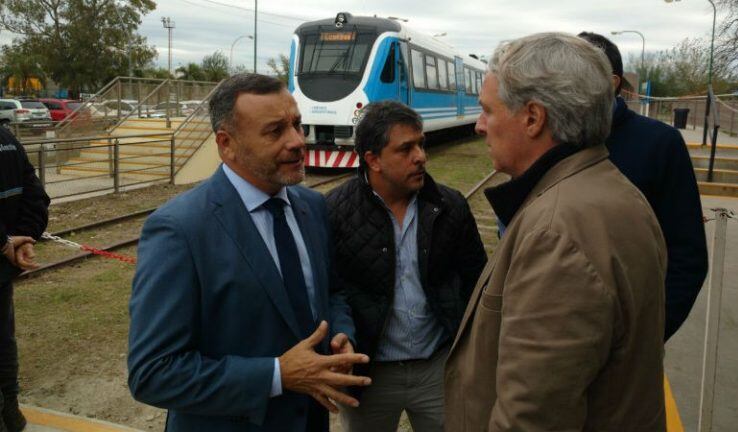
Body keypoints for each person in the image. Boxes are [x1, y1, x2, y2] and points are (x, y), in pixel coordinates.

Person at [444, 33, 667, 431]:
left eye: (488, 111)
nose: (479, 126)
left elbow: (532, 418)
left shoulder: (556, 232)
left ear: (532, 118)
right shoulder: (612, 190)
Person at [127, 73, 372, 432]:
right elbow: (153, 373)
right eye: (275, 131)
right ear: (227, 144)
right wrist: (277, 375)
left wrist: (341, 334)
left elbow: (331, 291)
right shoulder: (179, 230)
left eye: (297, 125)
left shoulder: (312, 206)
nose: (297, 142)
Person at [326, 101, 487, 432]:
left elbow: (477, 282)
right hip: (371, 376)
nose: (421, 157)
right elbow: (330, 289)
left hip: (439, 368)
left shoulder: (450, 205)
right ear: (373, 160)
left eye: (421, 144)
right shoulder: (334, 212)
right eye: (406, 149)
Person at [579, 31, 708, 341]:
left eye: (576, 73)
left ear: (612, 82)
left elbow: (687, 254)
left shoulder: (661, 144)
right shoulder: (555, 136)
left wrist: (649, 335)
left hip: (629, 341)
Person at [0, 126, 49, 432]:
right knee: (4, 341)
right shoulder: (7, 140)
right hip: (2, 271)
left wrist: (7, 242)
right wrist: (24, 238)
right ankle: (11, 412)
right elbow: (36, 196)